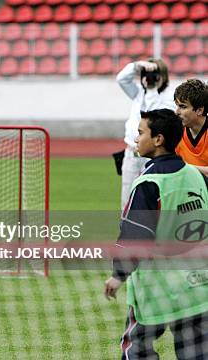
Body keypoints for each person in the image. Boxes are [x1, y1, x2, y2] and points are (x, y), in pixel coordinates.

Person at [104, 109, 208, 359]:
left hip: (157, 288)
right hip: (197, 287)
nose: (136, 138)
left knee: (136, 348)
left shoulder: (148, 184)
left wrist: (118, 275)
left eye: (140, 133)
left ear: (158, 139)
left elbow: (136, 235)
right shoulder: (196, 176)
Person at [116, 59, 175, 210]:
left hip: (156, 157)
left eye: (155, 75)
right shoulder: (137, 93)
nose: (150, 78)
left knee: (154, 199)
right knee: (127, 199)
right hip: (132, 155)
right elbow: (121, 79)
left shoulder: (168, 97)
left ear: (163, 76)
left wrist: (153, 89)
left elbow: (157, 116)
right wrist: (137, 66)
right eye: (147, 75)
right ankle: (127, 231)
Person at [174, 78, 208, 176]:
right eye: (177, 106)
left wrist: (183, 167)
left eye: (183, 107)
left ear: (199, 110)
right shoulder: (175, 131)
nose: (177, 112)